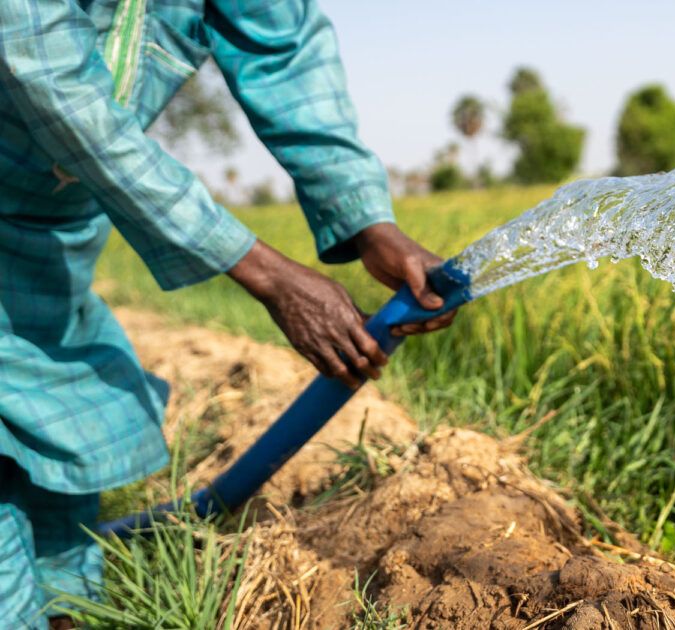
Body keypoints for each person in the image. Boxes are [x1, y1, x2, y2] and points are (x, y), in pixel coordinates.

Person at [0, 0, 454, 625]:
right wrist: (266, 273)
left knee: (57, 477)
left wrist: (369, 223)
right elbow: (52, 83)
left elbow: (284, 49)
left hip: (56, 231)